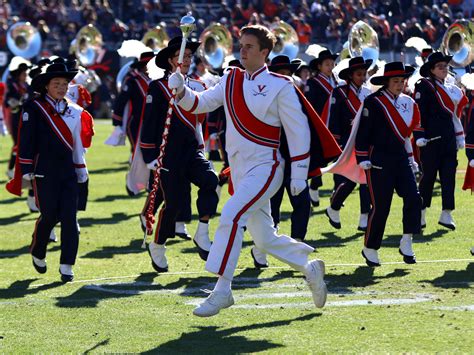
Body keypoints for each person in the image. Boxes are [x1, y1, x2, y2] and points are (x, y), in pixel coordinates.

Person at [169, 25, 340, 317]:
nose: (242, 50)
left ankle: (222, 290)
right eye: (241, 45)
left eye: (249, 46)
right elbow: (200, 104)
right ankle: (309, 267)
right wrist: (181, 89)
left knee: (232, 214)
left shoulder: (281, 85)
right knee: (264, 238)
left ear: (264, 53)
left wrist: (299, 172)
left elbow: (298, 130)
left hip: (267, 166)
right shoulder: (230, 79)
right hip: (240, 169)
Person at [139, 36, 219, 272]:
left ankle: (202, 232)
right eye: (180, 57)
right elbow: (150, 123)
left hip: (191, 151)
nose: (185, 60)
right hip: (167, 155)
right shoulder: (158, 86)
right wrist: (150, 156)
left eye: (188, 56)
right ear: (170, 61)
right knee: (173, 206)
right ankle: (158, 244)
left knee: (211, 180)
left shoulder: (198, 85)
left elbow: (201, 119)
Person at [6, 62, 88, 282]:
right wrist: (26, 169)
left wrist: (81, 169)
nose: (62, 88)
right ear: (46, 86)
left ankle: (67, 265)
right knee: (49, 216)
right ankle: (38, 250)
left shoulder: (74, 110)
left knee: (70, 218)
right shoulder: (33, 107)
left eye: (64, 84)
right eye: (56, 84)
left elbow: (79, 144)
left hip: (68, 172)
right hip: (44, 171)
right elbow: (26, 140)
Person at [356, 62, 421, 266]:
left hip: (401, 158)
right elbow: (363, 132)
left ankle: (407, 240)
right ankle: (370, 248)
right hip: (378, 159)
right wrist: (362, 157)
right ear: (386, 82)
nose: (400, 84)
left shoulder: (409, 102)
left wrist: (411, 160)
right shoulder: (373, 102)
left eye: (402, 81)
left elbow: (405, 136)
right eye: (395, 81)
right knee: (381, 206)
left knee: (414, 197)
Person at [414, 52, 468, 230]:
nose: (444, 69)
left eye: (445, 66)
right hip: (430, 141)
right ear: (431, 70)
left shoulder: (451, 87)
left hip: (448, 140)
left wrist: (459, 136)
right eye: (440, 67)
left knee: (448, 177)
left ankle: (447, 213)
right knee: (428, 178)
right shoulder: (424, 86)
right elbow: (418, 112)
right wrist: (419, 135)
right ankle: (421, 213)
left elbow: (455, 115)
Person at [265, 55, 310, 266]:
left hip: (294, 159)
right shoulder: (262, 97)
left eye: (288, 75)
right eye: (281, 74)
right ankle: (262, 247)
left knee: (302, 202)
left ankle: (297, 244)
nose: (286, 78)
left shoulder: (297, 97)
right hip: (270, 158)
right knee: (271, 205)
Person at [325, 57, 372, 231]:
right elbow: (334, 120)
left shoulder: (368, 92)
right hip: (347, 142)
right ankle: (335, 207)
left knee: (365, 179)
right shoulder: (339, 92)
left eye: (364, 74)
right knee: (353, 179)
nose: (362, 77)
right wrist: (337, 143)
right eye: (359, 74)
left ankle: (363, 217)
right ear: (350, 76)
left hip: (365, 141)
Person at [306, 49, 339, 207]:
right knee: (320, 157)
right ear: (319, 66)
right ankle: (314, 186)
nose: (330, 66)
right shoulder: (313, 83)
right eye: (327, 64)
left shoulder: (336, 81)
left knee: (337, 157)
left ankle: (338, 190)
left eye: (332, 63)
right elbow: (310, 104)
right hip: (319, 124)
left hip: (334, 124)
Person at [5, 57, 35, 211]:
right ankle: (11, 168)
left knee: (19, 144)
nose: (25, 76)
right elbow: (7, 102)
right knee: (17, 143)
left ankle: (11, 169)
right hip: (16, 117)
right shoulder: (13, 85)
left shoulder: (28, 86)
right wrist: (17, 101)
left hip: (26, 118)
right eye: (23, 73)